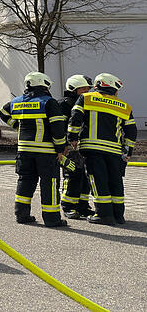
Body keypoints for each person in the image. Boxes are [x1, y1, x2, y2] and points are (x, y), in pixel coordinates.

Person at [0, 72, 69, 228]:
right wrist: (60, 148)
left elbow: (3, 113)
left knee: (25, 181)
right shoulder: (48, 102)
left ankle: (21, 215)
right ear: (44, 85)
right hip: (46, 152)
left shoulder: (17, 101)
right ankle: (52, 219)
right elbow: (57, 128)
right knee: (49, 184)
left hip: (24, 151)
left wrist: (16, 125)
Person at [68, 73, 137, 225]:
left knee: (98, 180)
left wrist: (72, 137)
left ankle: (104, 215)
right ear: (113, 89)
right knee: (115, 181)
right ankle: (118, 215)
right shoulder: (124, 106)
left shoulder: (86, 98)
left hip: (92, 149)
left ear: (98, 85)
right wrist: (128, 150)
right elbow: (131, 131)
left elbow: (76, 117)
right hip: (115, 151)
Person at [58, 75, 94, 219]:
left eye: (88, 89)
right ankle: (68, 206)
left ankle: (82, 206)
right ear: (73, 89)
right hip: (67, 149)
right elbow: (58, 128)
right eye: (83, 89)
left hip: (83, 148)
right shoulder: (63, 105)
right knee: (72, 175)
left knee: (85, 177)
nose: (87, 91)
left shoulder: (88, 103)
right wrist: (62, 146)